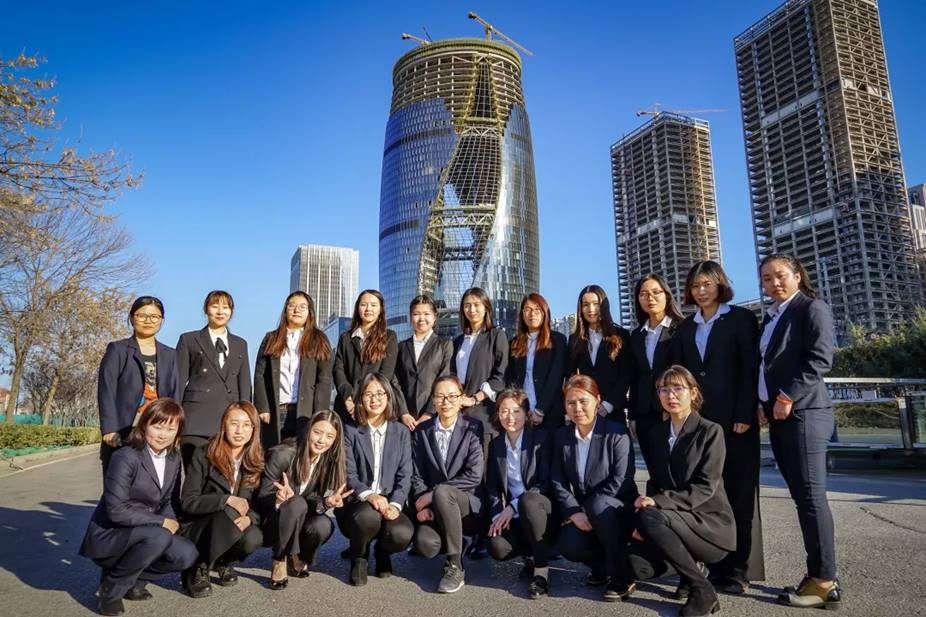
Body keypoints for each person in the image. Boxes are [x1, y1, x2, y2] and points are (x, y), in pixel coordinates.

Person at [675, 261, 764, 592]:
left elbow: (750, 369)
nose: (701, 291)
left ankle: (740, 569)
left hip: (736, 421)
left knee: (740, 493)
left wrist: (745, 412)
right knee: (707, 493)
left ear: (720, 285)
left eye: (707, 284)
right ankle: (713, 565)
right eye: (695, 285)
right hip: (701, 423)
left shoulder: (741, 319)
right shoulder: (686, 327)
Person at [758, 254, 841, 610]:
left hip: (804, 413)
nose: (774, 283)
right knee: (802, 498)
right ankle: (819, 575)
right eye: (766, 279)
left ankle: (824, 582)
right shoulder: (771, 316)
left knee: (810, 498)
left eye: (780, 276)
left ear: (797, 275)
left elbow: (820, 358)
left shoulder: (811, 308)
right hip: (780, 416)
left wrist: (786, 396)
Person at [629, 366, 735, 617]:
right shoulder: (657, 433)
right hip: (673, 521)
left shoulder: (710, 431)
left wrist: (657, 503)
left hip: (708, 524)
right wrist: (647, 507)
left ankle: (702, 589)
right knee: (635, 564)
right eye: (664, 389)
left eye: (678, 388)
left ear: (693, 392)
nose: (671, 395)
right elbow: (655, 481)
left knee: (651, 515)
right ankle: (691, 573)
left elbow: (705, 487)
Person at [79, 399, 197, 616]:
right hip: (112, 534)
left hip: (147, 531)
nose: (163, 435)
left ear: (178, 432)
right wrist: (161, 522)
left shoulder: (173, 458)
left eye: (171, 429)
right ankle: (110, 590)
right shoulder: (125, 456)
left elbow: (169, 499)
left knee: (186, 554)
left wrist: (170, 522)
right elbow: (116, 510)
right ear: (144, 425)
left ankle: (133, 582)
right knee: (159, 536)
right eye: (157, 426)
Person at [552, 374, 638, 602]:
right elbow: (557, 480)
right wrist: (573, 511)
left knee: (599, 506)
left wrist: (587, 509)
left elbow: (621, 479)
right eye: (571, 403)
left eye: (583, 401)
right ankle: (601, 566)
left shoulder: (616, 432)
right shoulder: (562, 436)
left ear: (598, 400)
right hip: (584, 512)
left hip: (616, 509)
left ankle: (622, 576)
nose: (577, 408)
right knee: (568, 545)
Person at [257, 410, 352, 590]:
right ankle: (279, 559)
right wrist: (278, 498)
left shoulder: (327, 460)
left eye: (329, 436)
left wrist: (326, 502)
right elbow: (261, 496)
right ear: (308, 430)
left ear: (335, 440)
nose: (322, 440)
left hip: (297, 516)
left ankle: (297, 554)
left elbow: (312, 500)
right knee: (296, 503)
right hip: (272, 520)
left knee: (323, 525)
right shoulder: (283, 454)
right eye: (317, 432)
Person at [179, 401, 265, 598]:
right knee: (229, 511)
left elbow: (259, 504)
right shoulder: (204, 453)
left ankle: (222, 561)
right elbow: (188, 501)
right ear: (224, 424)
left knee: (253, 537)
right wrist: (226, 499)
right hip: (202, 526)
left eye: (246, 425)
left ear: (254, 429)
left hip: (234, 524)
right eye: (234, 423)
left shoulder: (256, 459)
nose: (239, 431)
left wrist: (250, 518)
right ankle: (198, 567)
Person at [410, 375, 484, 594]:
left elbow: (474, 475)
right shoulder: (422, 431)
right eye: (440, 396)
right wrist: (420, 500)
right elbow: (416, 474)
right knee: (425, 544)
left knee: (443, 492)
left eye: (452, 396)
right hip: (435, 506)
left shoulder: (473, 427)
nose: (446, 402)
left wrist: (433, 494)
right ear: (433, 400)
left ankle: (455, 565)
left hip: (466, 504)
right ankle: (460, 541)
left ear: (461, 399)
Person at [338, 373, 414, 585]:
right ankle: (359, 556)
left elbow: (405, 474)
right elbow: (349, 473)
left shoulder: (401, 431)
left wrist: (396, 504)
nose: (375, 399)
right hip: (359, 501)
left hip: (390, 498)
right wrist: (370, 495)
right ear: (360, 398)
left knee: (401, 534)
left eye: (380, 393)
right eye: (368, 394)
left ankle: (382, 552)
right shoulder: (350, 430)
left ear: (388, 397)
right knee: (366, 517)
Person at [97, 296, 181, 475]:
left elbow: (175, 393)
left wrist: (175, 429)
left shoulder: (170, 354)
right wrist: (109, 428)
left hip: (159, 430)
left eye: (154, 316)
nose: (148, 321)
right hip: (124, 430)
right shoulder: (118, 350)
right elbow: (107, 390)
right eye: (142, 315)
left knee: (156, 483)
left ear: (162, 320)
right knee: (120, 483)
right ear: (132, 317)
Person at [485, 389, 556, 599]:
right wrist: (497, 516)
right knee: (497, 546)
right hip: (516, 515)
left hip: (541, 510)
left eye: (516, 411)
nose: (510, 417)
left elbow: (545, 483)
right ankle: (530, 555)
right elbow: (493, 487)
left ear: (527, 414)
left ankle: (541, 573)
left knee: (528, 502)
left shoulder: (541, 439)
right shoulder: (496, 444)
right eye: (504, 411)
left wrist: (513, 505)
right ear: (498, 414)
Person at [176, 290, 252, 468]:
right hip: (196, 420)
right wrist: (174, 419)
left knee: (222, 475)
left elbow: (245, 384)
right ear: (206, 309)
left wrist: (246, 419)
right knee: (194, 473)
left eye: (225, 307)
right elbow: (178, 382)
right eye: (215, 306)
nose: (220, 311)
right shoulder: (189, 339)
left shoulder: (240, 344)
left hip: (229, 422)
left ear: (232, 312)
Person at [254, 291, 333, 447]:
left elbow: (324, 379)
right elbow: (259, 375)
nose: (297, 310)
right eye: (292, 306)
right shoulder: (271, 338)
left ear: (310, 312)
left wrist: (320, 414)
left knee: (302, 454)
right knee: (273, 454)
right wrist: (262, 407)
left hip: (305, 412)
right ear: (285, 310)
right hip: (276, 411)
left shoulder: (319, 340)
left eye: (303, 307)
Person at [628, 274, 683, 467]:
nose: (649, 298)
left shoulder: (681, 328)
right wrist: (632, 415)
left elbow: (684, 372)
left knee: (674, 467)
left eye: (655, 292)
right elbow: (634, 377)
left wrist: (673, 408)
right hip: (644, 412)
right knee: (654, 468)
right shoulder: (636, 335)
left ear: (666, 295)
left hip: (672, 410)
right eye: (643, 294)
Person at [451, 287, 509, 444]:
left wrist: (475, 398)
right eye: (467, 305)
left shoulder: (496, 336)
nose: (472, 310)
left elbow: (501, 375)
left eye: (477, 305)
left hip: (484, 416)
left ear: (486, 307)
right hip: (459, 415)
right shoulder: (458, 341)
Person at [566, 285, 631, 424]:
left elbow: (626, 375)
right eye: (585, 305)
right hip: (584, 412)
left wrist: (607, 405)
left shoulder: (620, 335)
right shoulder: (574, 339)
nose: (591, 309)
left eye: (596, 304)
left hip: (613, 411)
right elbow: (571, 375)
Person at [333, 289, 399, 424]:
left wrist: (368, 400)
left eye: (373, 305)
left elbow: (386, 373)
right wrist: (348, 399)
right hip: (346, 407)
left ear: (380, 309)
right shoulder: (346, 338)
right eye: (363, 304)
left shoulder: (389, 337)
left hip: (375, 406)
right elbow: (338, 370)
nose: (368, 309)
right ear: (358, 308)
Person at [505, 293, 567, 429]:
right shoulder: (514, 343)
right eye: (527, 309)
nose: (532, 314)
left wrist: (540, 410)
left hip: (550, 414)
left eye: (537, 309)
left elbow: (556, 377)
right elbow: (510, 379)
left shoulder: (557, 340)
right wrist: (520, 408)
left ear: (545, 313)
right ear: (522, 314)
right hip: (522, 414)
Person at [395, 294, 453, 431]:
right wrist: (403, 412)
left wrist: (430, 412)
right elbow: (395, 381)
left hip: (434, 417)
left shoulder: (444, 345)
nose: (421, 318)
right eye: (416, 314)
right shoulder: (401, 347)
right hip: (405, 421)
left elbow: (444, 379)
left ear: (435, 316)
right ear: (411, 317)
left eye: (427, 314)